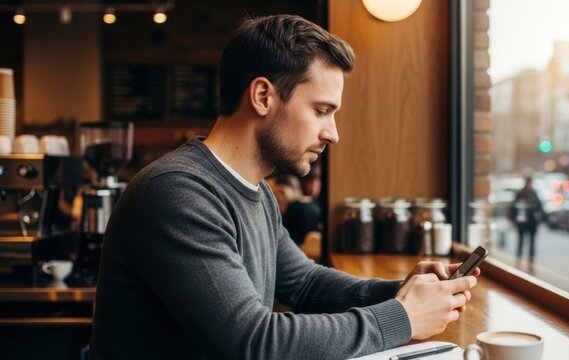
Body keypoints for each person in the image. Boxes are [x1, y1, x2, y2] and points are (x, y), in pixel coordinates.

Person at [89, 15, 478, 359]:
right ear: (262, 97)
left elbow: (305, 283)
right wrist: (402, 318)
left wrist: (402, 291)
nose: (333, 134)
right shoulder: (176, 193)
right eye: (321, 111)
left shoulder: (254, 191)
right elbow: (252, 342)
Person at [509, 176, 544, 260]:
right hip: (522, 222)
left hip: (532, 222)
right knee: (520, 241)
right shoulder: (520, 194)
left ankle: (531, 259)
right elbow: (513, 208)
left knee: (532, 242)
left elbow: (540, 207)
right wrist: (513, 220)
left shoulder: (534, 194)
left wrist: (540, 219)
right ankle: (519, 258)